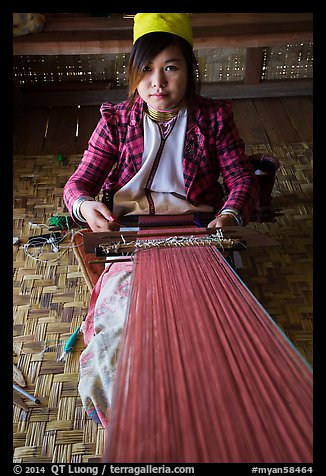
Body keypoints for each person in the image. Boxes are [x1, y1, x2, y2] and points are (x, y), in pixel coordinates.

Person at [63, 13, 260, 428]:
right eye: (147, 69)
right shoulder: (116, 120)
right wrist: (85, 206)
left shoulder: (214, 119)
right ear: (134, 74)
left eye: (170, 67)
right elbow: (78, 183)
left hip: (197, 234)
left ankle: (199, 421)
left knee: (209, 337)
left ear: (189, 71)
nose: (158, 81)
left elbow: (241, 177)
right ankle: (134, 425)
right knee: (117, 338)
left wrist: (227, 213)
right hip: (131, 237)